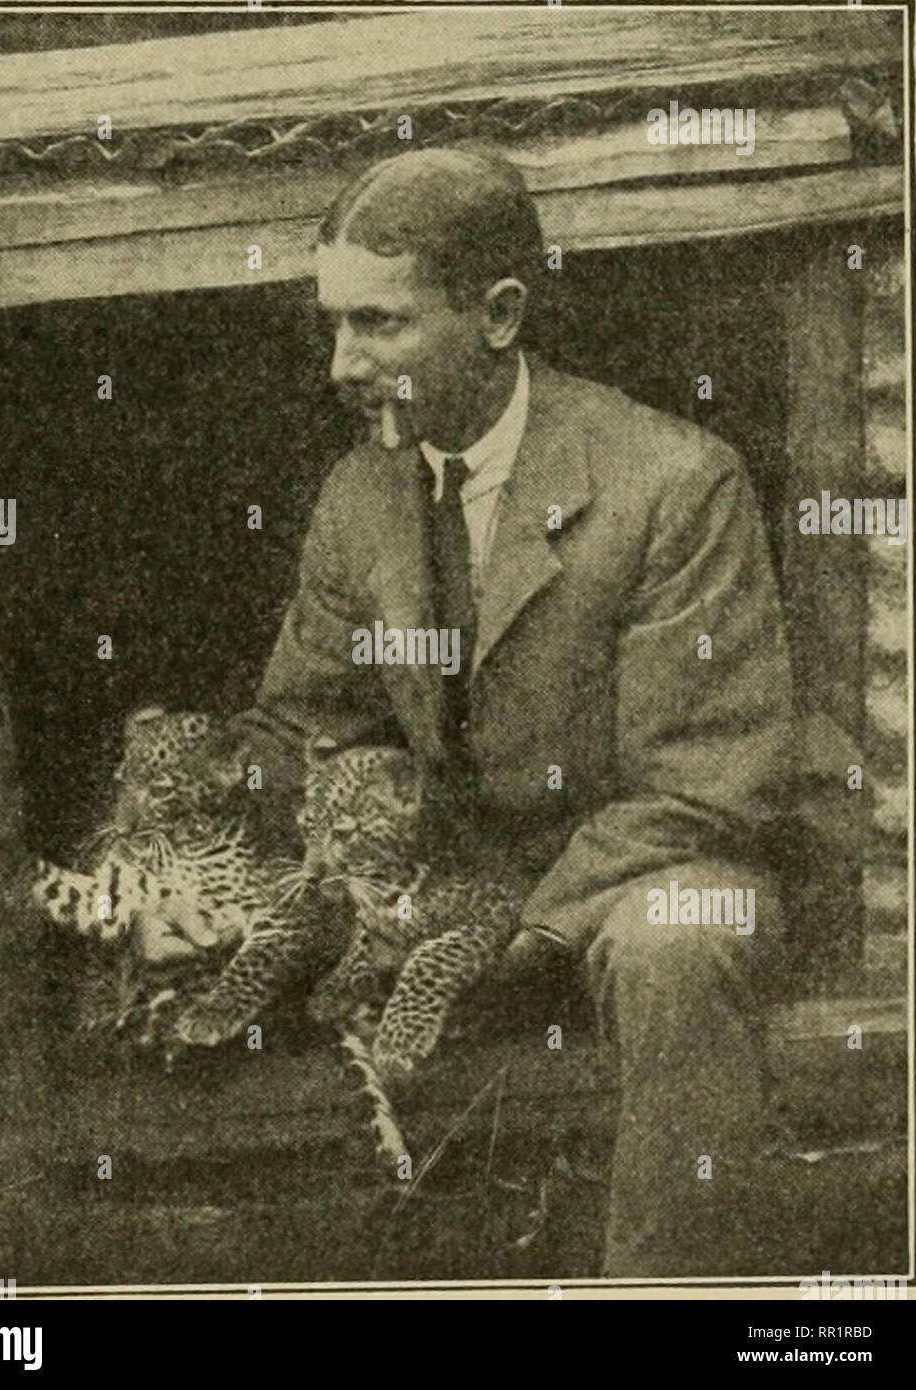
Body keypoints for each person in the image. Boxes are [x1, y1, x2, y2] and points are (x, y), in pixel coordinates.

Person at [156, 148, 794, 1277]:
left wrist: (511, 932)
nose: (343, 364)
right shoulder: (360, 492)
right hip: (446, 888)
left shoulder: (672, 480)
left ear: (497, 314)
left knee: (685, 938)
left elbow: (701, 788)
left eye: (380, 325)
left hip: (626, 872)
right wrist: (185, 851)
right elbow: (310, 728)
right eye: (333, 326)